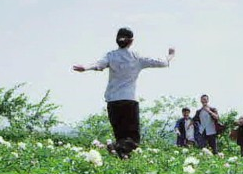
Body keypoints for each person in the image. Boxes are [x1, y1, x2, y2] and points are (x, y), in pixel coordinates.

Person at [73, 27, 174, 158]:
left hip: (113, 101)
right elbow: (162, 62)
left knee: (121, 136)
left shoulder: (111, 55)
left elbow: (99, 64)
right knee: (133, 140)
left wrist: (85, 67)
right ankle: (112, 147)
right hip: (129, 101)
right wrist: (171, 55)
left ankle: (120, 156)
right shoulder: (136, 57)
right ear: (131, 41)